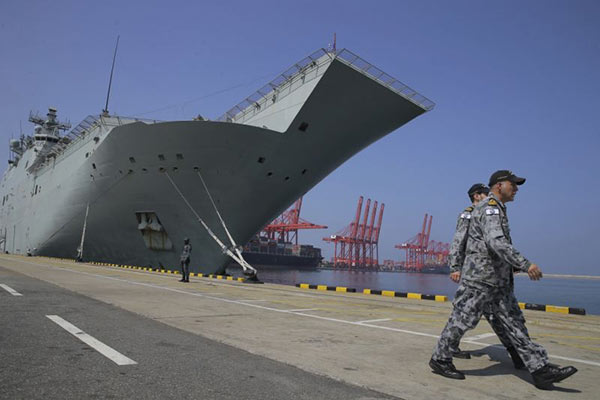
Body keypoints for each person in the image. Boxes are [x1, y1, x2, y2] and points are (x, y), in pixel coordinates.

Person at [429, 170, 577, 390]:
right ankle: (440, 358)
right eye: (513, 184)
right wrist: (525, 264)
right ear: (499, 185)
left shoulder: (497, 208)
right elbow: (495, 242)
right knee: (462, 319)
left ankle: (539, 369)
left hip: (498, 280)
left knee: (514, 322)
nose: (516, 189)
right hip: (481, 278)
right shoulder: (489, 209)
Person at [447, 183, 524, 369]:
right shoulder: (469, 213)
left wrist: (511, 263)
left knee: (497, 315)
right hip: (477, 273)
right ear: (476, 195)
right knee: (467, 314)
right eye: (484, 193)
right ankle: (447, 349)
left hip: (494, 274)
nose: (488, 196)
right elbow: (459, 241)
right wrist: (455, 267)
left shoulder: (491, 210)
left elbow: (502, 240)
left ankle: (516, 352)